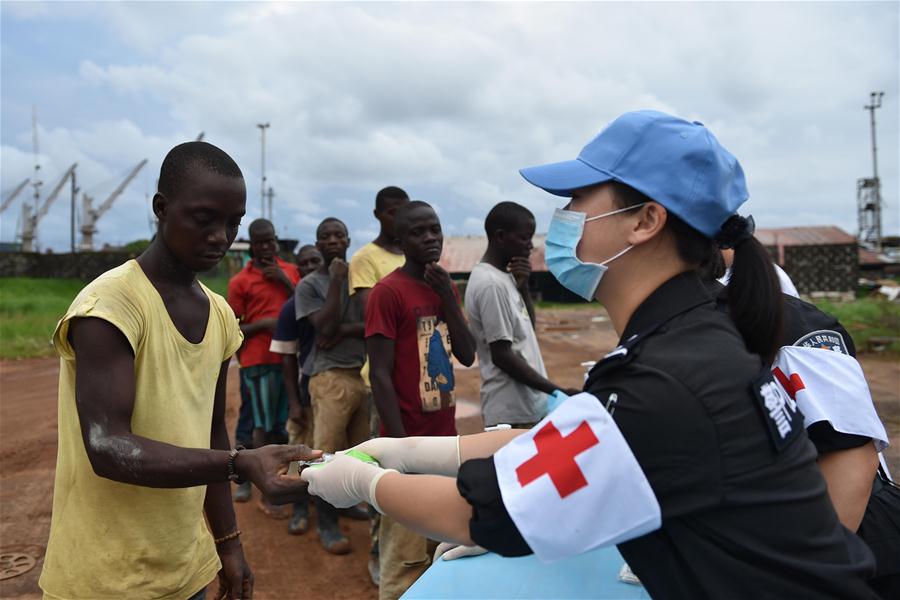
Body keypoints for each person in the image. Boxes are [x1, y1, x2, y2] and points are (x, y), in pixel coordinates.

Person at [301, 111, 878, 599]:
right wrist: (404, 449)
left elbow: (480, 513)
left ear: (646, 221)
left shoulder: (673, 374)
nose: (564, 216)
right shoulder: (691, 337)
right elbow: (580, 436)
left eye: (579, 197)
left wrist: (365, 484)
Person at [39, 141, 318, 600]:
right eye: (204, 219)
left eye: (233, 223)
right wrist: (239, 464)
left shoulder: (222, 316)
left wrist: (228, 544)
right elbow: (108, 447)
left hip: (187, 569)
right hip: (104, 579)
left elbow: (210, 431)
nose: (220, 236)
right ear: (161, 208)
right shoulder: (111, 305)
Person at [704, 250, 898, 598]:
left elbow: (848, 454)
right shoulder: (672, 321)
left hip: (853, 536)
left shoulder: (768, 306)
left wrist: (805, 578)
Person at [364, 200, 476, 599]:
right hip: (407, 442)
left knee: (442, 548)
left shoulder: (443, 286)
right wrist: (399, 450)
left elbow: (466, 354)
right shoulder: (387, 293)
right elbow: (379, 373)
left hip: (445, 443)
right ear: (399, 239)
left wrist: (447, 296)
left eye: (435, 229)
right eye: (418, 232)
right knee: (404, 558)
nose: (430, 238)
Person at [466, 201, 578, 429]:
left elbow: (528, 333)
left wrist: (523, 288)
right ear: (500, 236)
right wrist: (557, 391)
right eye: (525, 238)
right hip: (511, 414)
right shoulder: (490, 284)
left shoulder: (505, 278)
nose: (530, 246)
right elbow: (502, 355)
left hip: (525, 407)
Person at [348, 185, 410, 585]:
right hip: (382, 382)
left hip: (420, 386)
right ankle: (377, 550)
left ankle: (413, 549)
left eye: (403, 209)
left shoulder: (415, 256)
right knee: (382, 469)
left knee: (421, 473)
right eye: (391, 211)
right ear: (377, 214)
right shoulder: (366, 259)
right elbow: (368, 313)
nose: (398, 217)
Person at [295, 217, 369, 555]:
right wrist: (337, 281)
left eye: (339, 234)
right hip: (328, 378)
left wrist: (347, 330)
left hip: (362, 374)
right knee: (325, 455)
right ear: (318, 242)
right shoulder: (310, 284)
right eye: (325, 236)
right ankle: (326, 523)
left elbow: (371, 323)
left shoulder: (363, 276)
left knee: (358, 453)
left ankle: (346, 505)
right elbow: (324, 327)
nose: (333, 240)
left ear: (349, 239)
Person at [227, 218, 301, 514]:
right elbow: (232, 326)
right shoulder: (240, 281)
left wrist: (285, 283)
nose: (266, 247)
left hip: (289, 360)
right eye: (260, 242)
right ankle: (257, 483)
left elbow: (305, 308)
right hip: (258, 361)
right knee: (258, 424)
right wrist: (263, 325)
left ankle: (280, 482)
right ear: (252, 244)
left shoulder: (292, 273)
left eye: (270, 241)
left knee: (283, 424)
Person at [269, 244, 324, 534]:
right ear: (298, 269)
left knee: (330, 448)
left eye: (317, 260)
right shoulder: (291, 308)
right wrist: (293, 401)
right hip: (304, 391)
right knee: (300, 453)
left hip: (329, 393)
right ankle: (300, 509)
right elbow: (287, 358)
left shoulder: (335, 299)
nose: (312, 266)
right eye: (305, 263)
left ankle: (339, 504)